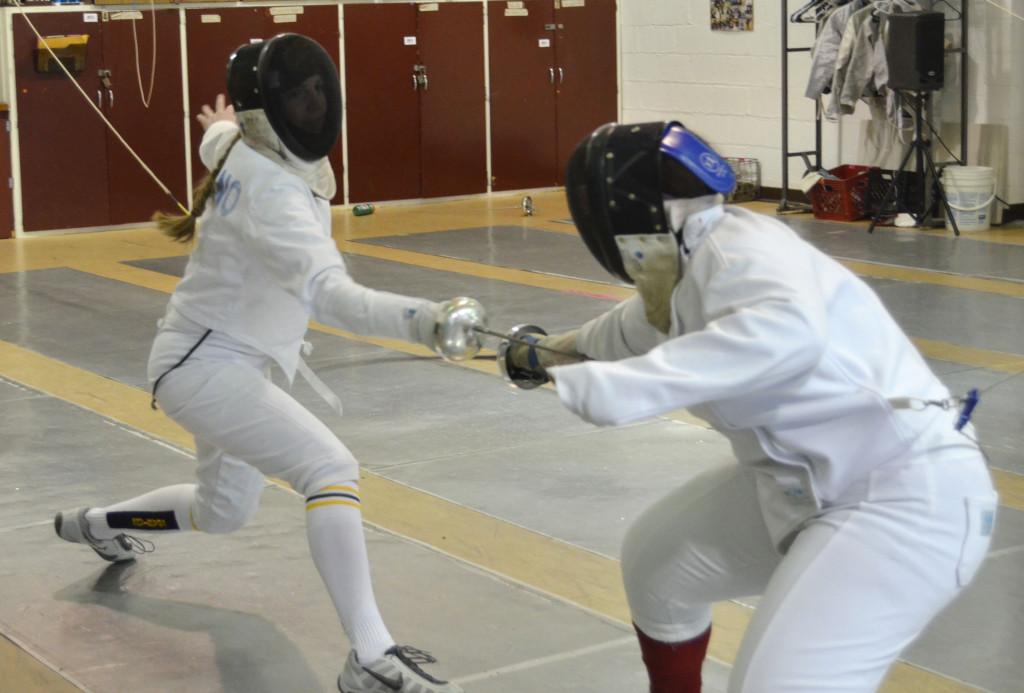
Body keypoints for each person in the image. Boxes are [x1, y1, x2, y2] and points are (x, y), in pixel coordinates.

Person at [500, 121, 998, 692]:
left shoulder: (744, 255)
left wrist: (625, 388)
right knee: (660, 565)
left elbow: (790, 335)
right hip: (803, 482)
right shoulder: (684, 265)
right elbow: (622, 333)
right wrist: (536, 355)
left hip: (902, 500)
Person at [54, 34, 469, 693]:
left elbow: (217, 142)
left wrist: (215, 128)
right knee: (330, 468)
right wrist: (431, 321)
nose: (310, 105)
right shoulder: (271, 192)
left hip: (217, 365)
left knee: (223, 512)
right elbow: (336, 298)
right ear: (266, 113)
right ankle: (370, 655)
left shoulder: (240, 151)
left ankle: (95, 524)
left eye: (315, 93)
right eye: (294, 96)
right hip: (205, 367)